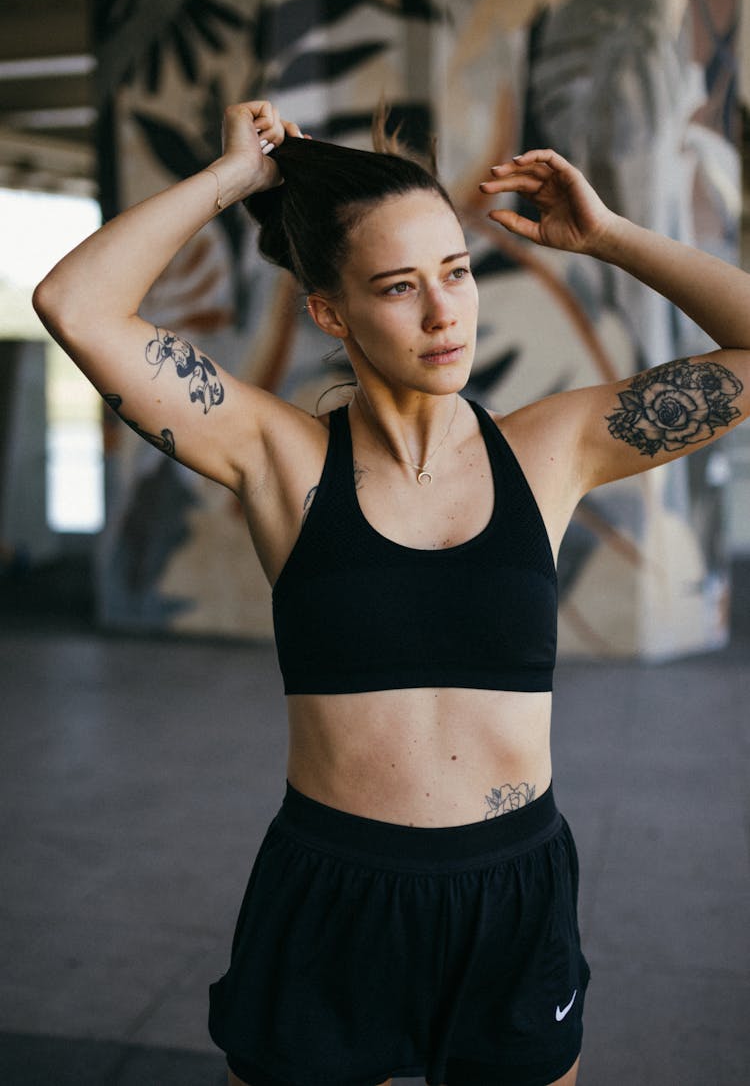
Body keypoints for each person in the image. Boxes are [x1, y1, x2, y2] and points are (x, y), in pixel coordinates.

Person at [33, 100, 748, 1086]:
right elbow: (76, 305)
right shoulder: (278, 457)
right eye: (399, 287)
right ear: (332, 310)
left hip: (515, 895)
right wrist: (233, 179)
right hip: (333, 900)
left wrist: (611, 236)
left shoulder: (548, 451)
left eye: (455, 272)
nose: (445, 311)